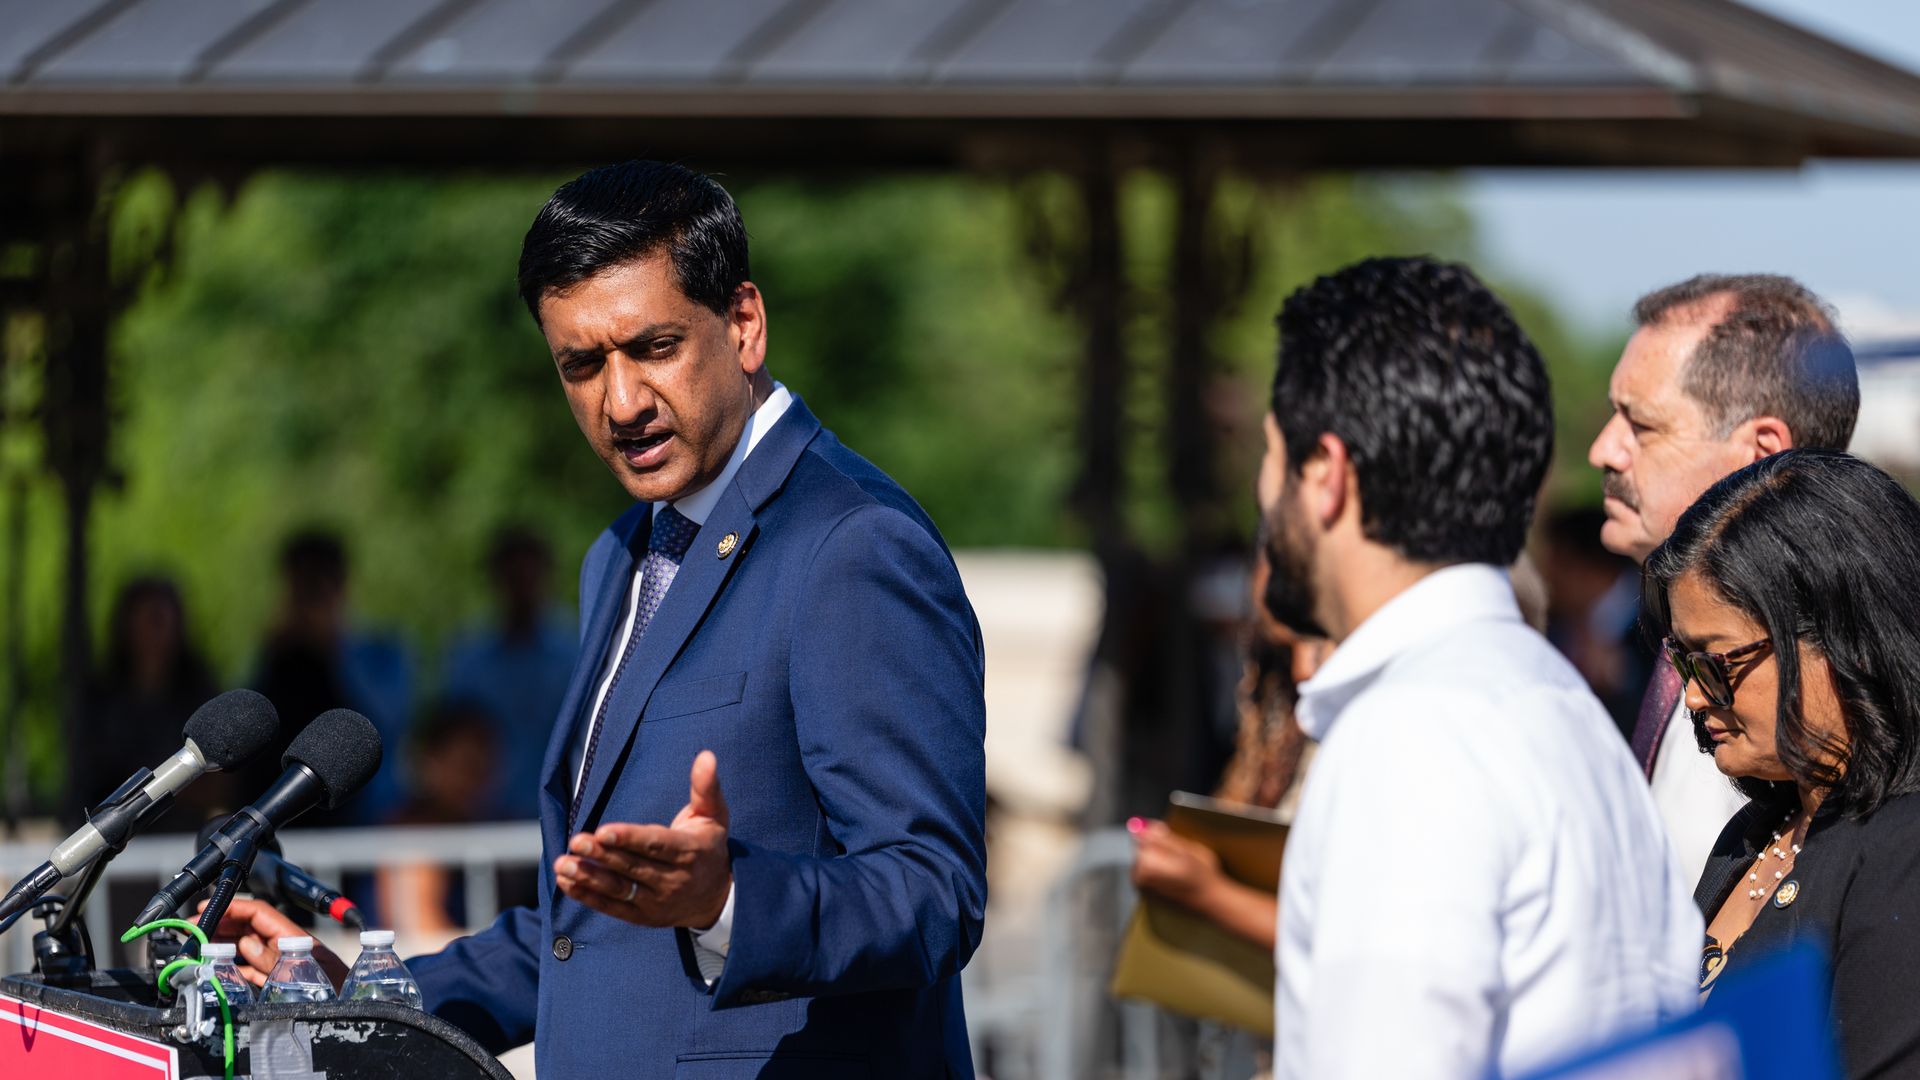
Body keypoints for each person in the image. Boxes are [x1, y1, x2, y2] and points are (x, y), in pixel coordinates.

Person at [211, 161, 987, 1078]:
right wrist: (369, 999)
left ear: (744, 323)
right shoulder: (621, 553)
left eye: (653, 347)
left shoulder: (853, 544)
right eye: (581, 365)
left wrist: (730, 901)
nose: (621, 403)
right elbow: (585, 930)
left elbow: (932, 890)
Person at [1260, 257, 1699, 1079]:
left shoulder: (1411, 733)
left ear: (1326, 476)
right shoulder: (1560, 707)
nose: (1264, 494)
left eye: (1272, 455)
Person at [1643, 449, 1920, 1078]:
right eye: (1682, 661)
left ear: (1844, 640)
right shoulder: (1755, 832)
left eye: (1715, 663)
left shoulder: (1904, 849)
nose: (1693, 695)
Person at [1587, 274, 1857, 879]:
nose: (1604, 450)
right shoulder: (1654, 636)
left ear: (1762, 453)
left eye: (1641, 425)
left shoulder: (1833, 696)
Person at [247, 529, 414, 826]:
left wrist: (336, 651)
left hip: (365, 816)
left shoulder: (384, 651)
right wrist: (274, 654)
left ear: (343, 584)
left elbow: (388, 725)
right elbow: (249, 730)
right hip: (286, 816)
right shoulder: (277, 655)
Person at [441, 526, 578, 820]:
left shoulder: (576, 651)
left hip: (564, 808)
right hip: (485, 815)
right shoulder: (469, 657)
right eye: (513, 578)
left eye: (528, 577)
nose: (521, 589)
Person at [76, 577, 225, 833]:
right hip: (117, 835)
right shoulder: (103, 700)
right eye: (150, 619)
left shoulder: (200, 695)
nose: (156, 633)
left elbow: (218, 783)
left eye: (163, 620)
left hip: (183, 835)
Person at [377, 700, 502, 934]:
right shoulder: (414, 833)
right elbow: (420, 929)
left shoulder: (474, 825)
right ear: (430, 763)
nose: (477, 780)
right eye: (467, 766)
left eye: (486, 767)